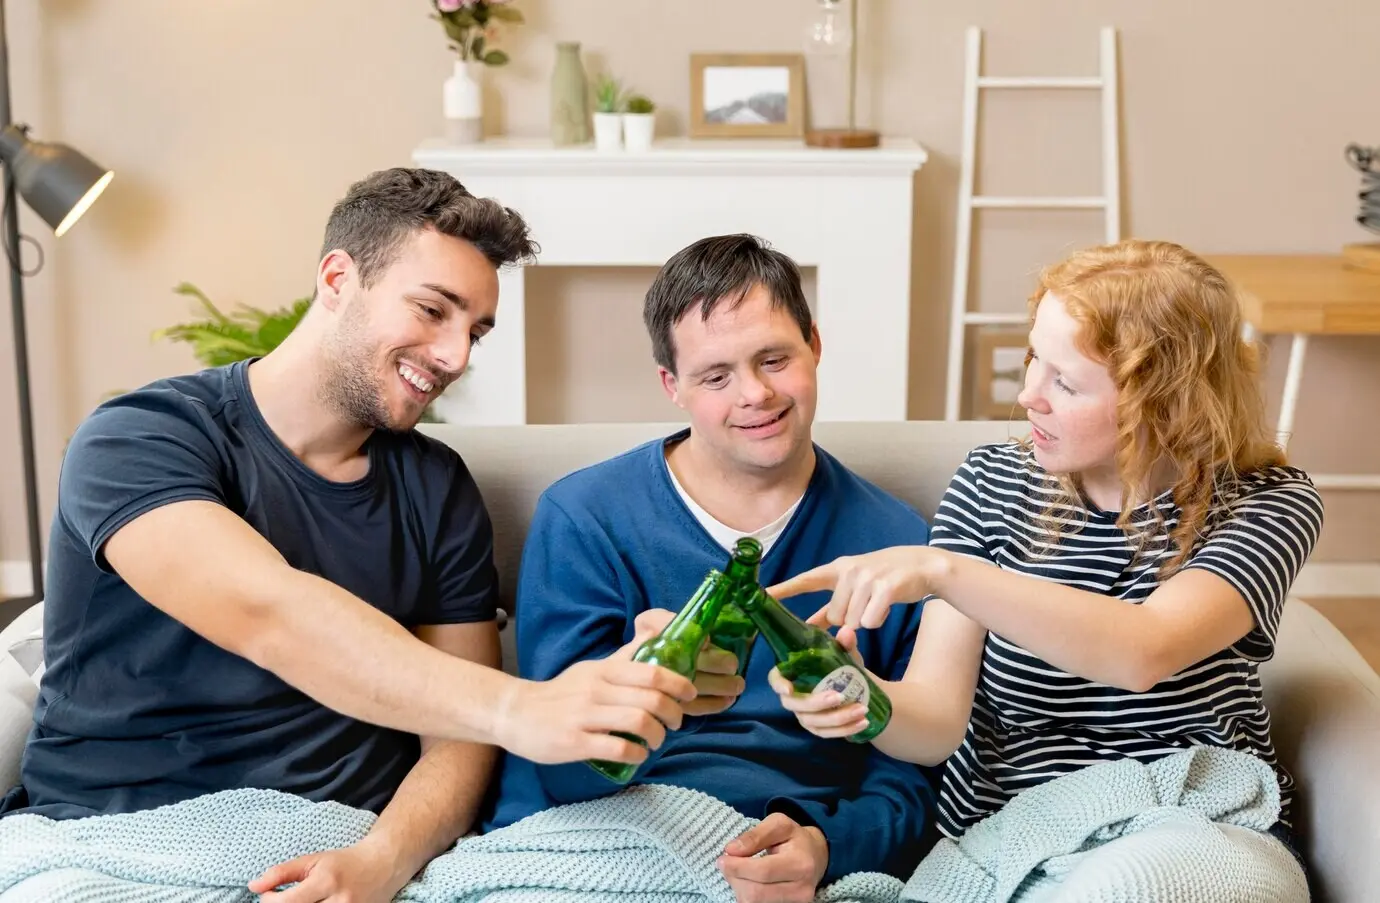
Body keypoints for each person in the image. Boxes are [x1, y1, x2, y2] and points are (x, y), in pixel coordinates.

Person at [0, 168, 699, 902]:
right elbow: (268, 612)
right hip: (115, 838)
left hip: (346, 851)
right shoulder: (142, 438)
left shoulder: (438, 489)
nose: (455, 355)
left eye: (475, 332)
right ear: (338, 278)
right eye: (433, 310)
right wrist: (525, 708)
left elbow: (455, 737)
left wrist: (383, 858)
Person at [767, 239, 1323, 895]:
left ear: (1165, 399)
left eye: (1064, 380)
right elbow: (938, 724)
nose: (1029, 395)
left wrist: (946, 571)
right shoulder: (989, 484)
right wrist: (863, 697)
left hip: (1196, 825)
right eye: (1034, 359)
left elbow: (1143, 650)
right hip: (1019, 839)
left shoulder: (1266, 503)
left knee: (1130, 886)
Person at [482, 234, 937, 902]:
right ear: (673, 386)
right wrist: (643, 695)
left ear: (814, 342)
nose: (754, 393)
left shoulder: (894, 541)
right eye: (716, 375)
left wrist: (826, 845)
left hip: (793, 856)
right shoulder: (585, 517)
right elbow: (558, 772)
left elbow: (913, 777)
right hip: (601, 842)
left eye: (775, 358)